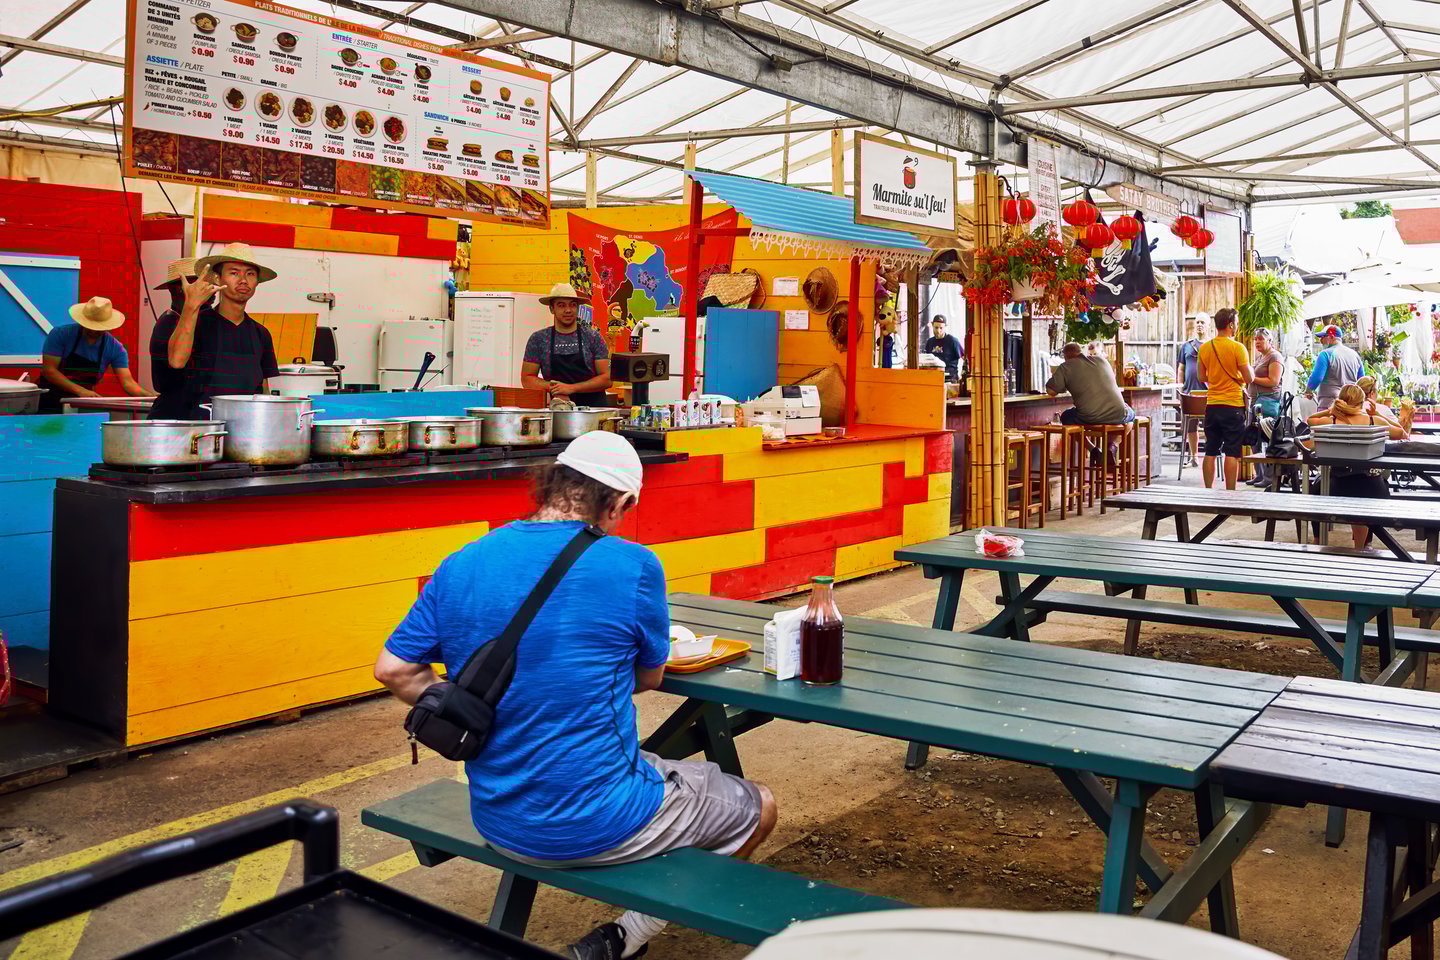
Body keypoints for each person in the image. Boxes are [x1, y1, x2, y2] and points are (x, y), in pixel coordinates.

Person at [375, 431, 777, 960]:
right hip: (601, 822)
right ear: (620, 501)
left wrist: (480, 703)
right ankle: (628, 937)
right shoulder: (631, 565)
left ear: (553, 485)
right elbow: (650, 677)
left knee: (655, 765)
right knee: (758, 805)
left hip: (498, 818)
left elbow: (395, 669)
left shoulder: (462, 562)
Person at [150, 243, 279, 419]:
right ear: (217, 279)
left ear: (257, 281)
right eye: (234, 273)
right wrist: (191, 305)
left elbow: (264, 388)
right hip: (192, 429)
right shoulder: (192, 322)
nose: (243, 280)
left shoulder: (261, 334)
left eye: (250, 274)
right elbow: (176, 361)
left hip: (239, 431)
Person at [1307, 383, 1408, 548]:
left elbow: (1310, 420)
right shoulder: (1374, 420)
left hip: (1336, 488)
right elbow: (1401, 432)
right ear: (1362, 402)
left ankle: (1318, 540)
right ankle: (1361, 547)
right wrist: (1377, 414)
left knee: (1317, 487)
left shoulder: (1329, 420)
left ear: (1339, 401)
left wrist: (1332, 410)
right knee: (1363, 494)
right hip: (1372, 488)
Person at [38, 297, 154, 412]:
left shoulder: (115, 348)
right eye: (90, 327)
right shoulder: (61, 334)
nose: (93, 331)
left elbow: (128, 383)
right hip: (48, 400)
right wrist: (80, 391)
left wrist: (152, 397)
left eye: (98, 328)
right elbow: (49, 370)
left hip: (80, 405)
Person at [522, 283, 613, 407]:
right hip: (559, 411)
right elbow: (527, 378)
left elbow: (607, 379)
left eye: (573, 305)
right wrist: (554, 388)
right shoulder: (539, 339)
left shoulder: (593, 337)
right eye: (561, 305)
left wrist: (572, 388)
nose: (568, 310)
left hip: (593, 412)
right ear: (551, 309)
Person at [1196, 307, 1254, 490]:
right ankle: (1230, 493)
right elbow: (1249, 378)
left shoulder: (1205, 348)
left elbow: (1201, 377)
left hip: (1212, 405)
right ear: (1230, 325)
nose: (1237, 326)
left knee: (1210, 450)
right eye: (1236, 323)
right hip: (1233, 406)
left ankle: (1208, 491)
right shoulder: (1238, 348)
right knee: (1232, 451)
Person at [1045, 342, 1134, 426]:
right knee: (1130, 413)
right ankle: (1114, 442)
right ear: (1080, 352)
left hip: (1090, 417)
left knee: (1066, 416)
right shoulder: (1102, 360)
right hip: (1118, 414)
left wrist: (1065, 384)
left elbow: (1051, 391)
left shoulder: (1065, 366)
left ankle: (1085, 443)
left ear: (1065, 355)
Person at [1245, 327, 1286, 487]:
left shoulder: (1275, 356)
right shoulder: (1260, 357)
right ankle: (1259, 474)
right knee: (1254, 438)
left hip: (1268, 402)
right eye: (1255, 339)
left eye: (1261, 339)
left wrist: (1252, 378)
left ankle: (1269, 478)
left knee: (1268, 439)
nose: (1257, 342)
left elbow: (1273, 381)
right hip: (1256, 402)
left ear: (1270, 341)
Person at [1305, 323, 1365, 410]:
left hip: (1329, 404)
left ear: (1332, 337)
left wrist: (1309, 391)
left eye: (1323, 337)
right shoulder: (1355, 355)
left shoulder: (1325, 354)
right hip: (1351, 405)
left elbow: (1317, 378)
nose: (1321, 341)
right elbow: (1361, 380)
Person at [1176, 313, 1208, 467]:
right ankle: (1193, 457)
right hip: (1189, 392)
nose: (1200, 325)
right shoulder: (1186, 346)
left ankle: (1210, 457)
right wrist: (1180, 387)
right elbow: (1181, 368)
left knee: (1209, 426)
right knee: (1190, 427)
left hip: (1207, 392)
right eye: (1197, 322)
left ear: (1208, 325)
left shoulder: (1211, 345)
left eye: (1203, 322)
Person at [923, 316, 964, 381]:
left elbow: (965, 358)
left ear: (945, 327)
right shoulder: (930, 342)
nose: (938, 331)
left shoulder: (952, 341)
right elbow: (926, 361)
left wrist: (963, 375)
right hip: (933, 379)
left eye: (941, 328)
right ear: (932, 325)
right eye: (936, 328)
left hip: (950, 380)